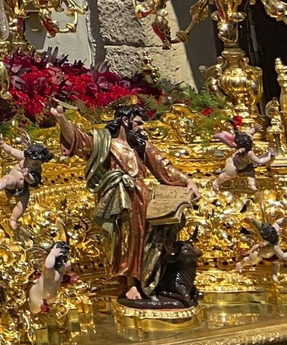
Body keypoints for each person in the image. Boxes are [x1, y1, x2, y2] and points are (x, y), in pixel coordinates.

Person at [50, 103, 196, 303]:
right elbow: (80, 140)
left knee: (148, 240)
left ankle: (152, 278)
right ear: (125, 121)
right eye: (138, 123)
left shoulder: (141, 146)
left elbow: (164, 166)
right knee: (127, 240)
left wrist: (188, 181)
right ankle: (130, 284)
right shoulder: (105, 143)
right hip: (120, 199)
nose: (142, 127)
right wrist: (61, 119)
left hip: (143, 199)